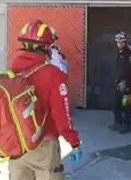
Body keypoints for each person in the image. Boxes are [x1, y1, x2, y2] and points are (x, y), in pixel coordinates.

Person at [9, 20, 82, 180]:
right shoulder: (53, 75)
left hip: (17, 144)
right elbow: (61, 115)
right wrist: (74, 142)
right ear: (47, 46)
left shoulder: (11, 72)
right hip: (44, 145)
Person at [109, 31, 131, 134]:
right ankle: (118, 123)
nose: (119, 44)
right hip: (118, 84)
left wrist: (124, 82)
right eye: (118, 42)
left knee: (126, 105)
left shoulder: (128, 54)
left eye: (121, 42)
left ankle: (126, 125)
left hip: (126, 84)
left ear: (125, 42)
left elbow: (129, 70)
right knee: (116, 105)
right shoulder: (119, 54)